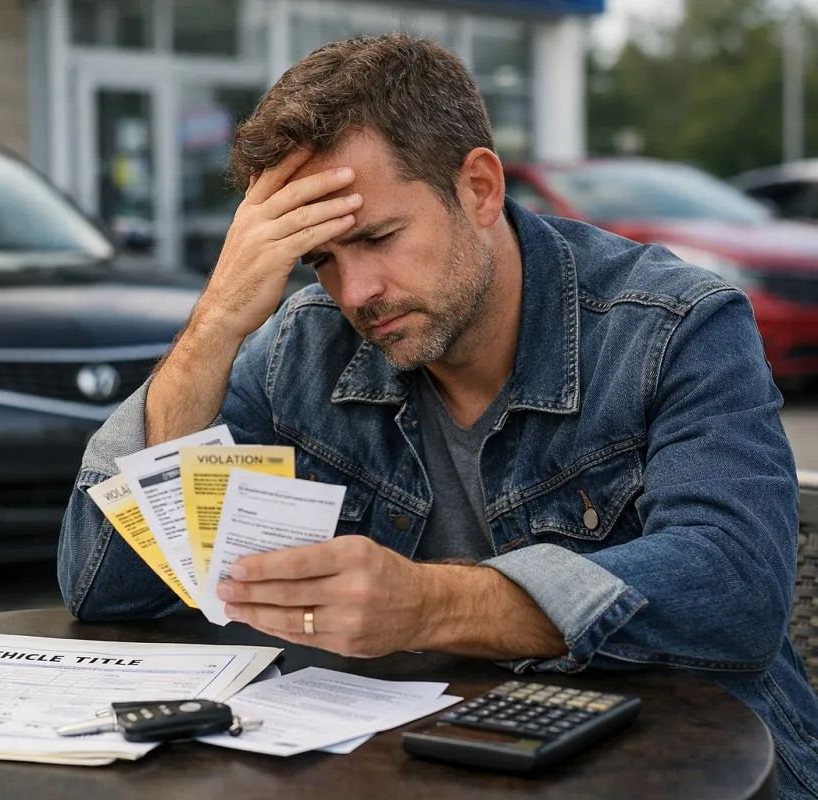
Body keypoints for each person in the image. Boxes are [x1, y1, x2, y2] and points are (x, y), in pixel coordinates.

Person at [57, 35, 818, 795]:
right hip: (418, 771)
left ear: (479, 188)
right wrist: (217, 323)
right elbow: (106, 588)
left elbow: (734, 589)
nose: (356, 293)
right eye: (320, 260)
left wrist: (429, 605)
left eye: (378, 238)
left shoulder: (674, 326)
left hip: (691, 771)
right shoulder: (302, 345)